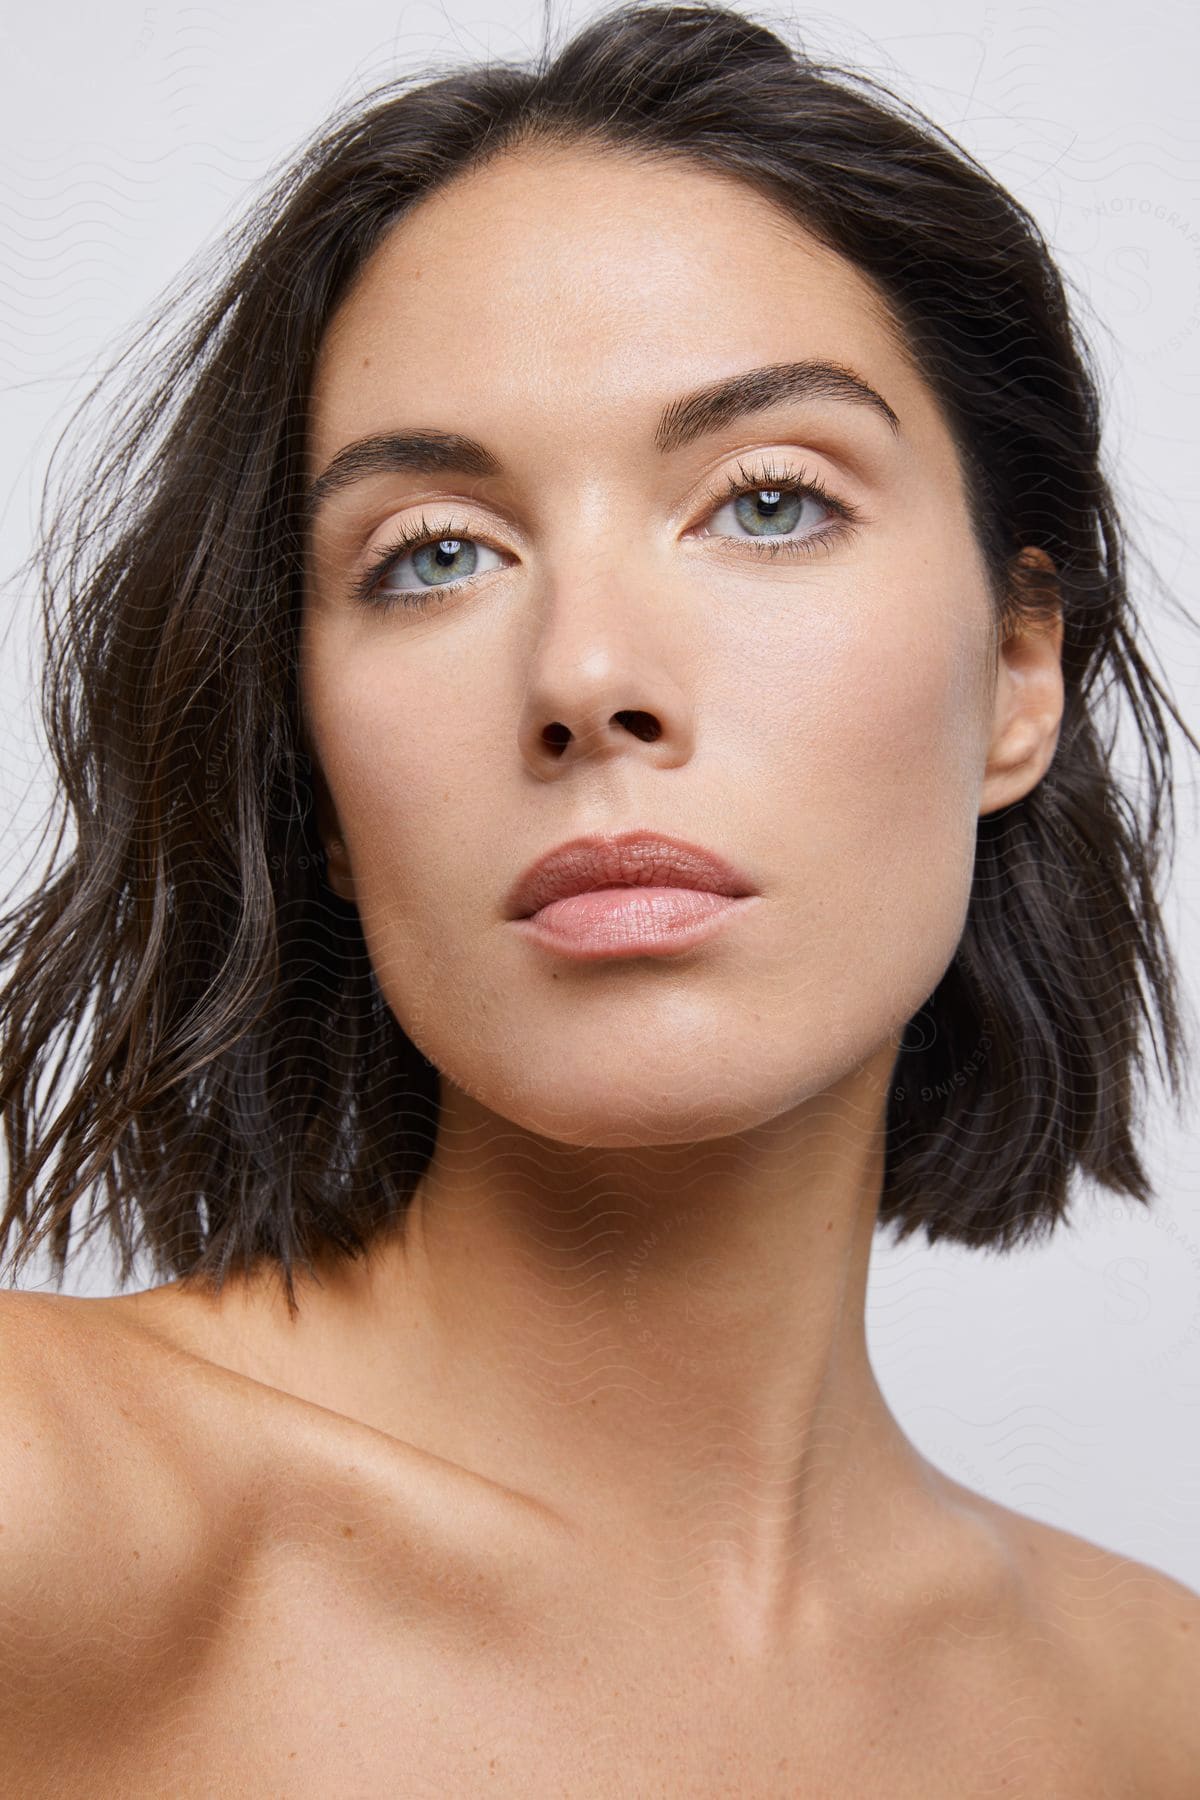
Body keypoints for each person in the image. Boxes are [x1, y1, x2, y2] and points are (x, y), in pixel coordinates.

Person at [1, 2, 1197, 1792]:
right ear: (317, 773)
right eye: (433, 557)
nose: (586, 674)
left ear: (1020, 669)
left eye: (769, 503)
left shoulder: (1152, 1707)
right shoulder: (47, 1513)